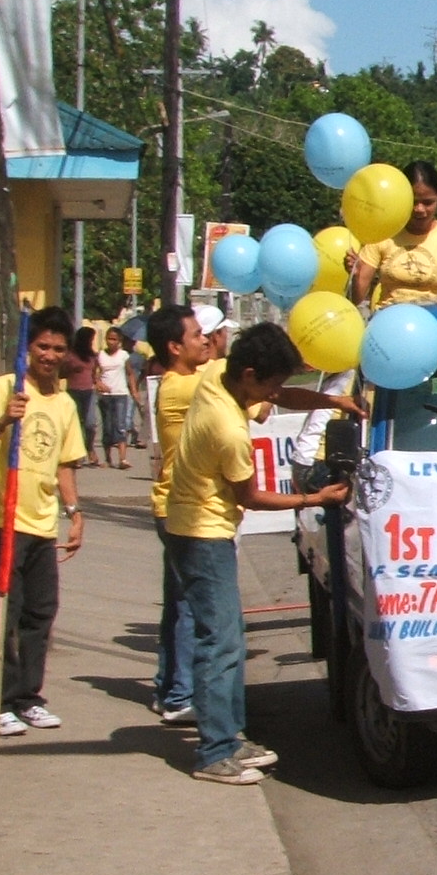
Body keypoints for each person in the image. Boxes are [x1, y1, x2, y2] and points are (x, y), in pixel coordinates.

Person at [165, 323, 361, 784]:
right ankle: (214, 752)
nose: (274, 392)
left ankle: (231, 735)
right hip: (201, 533)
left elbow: (282, 396)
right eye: (270, 383)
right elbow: (250, 497)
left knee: (229, 635)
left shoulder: (220, 375)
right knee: (220, 642)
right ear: (250, 374)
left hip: (202, 527)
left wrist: (333, 401)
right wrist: (314, 500)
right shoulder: (227, 427)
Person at [0, 306, 87, 737]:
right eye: (42, 347)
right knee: (6, 610)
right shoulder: (6, 387)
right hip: (3, 517)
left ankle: (27, 697)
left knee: (40, 611)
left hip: (42, 522)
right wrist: (4, 420)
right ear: (28, 348)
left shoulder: (65, 403)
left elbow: (66, 465)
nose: (50, 355)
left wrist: (74, 513)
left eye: (58, 348)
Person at [145, 302, 213, 725]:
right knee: (192, 606)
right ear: (174, 347)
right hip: (184, 509)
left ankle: (169, 687)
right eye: (196, 335)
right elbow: (258, 395)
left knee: (177, 603)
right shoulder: (185, 387)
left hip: (174, 506)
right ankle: (181, 695)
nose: (205, 340)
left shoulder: (190, 381)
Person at [352, 161, 437, 306]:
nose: (420, 209)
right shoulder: (383, 233)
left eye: (427, 202)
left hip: (430, 321)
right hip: (387, 319)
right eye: (414, 202)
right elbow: (356, 300)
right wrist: (355, 275)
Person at [95, 326, 134, 470]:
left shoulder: (123, 355)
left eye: (114, 339)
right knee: (107, 427)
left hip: (120, 394)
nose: (111, 342)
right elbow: (95, 373)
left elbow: (130, 374)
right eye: (109, 339)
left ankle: (123, 459)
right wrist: (98, 383)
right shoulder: (100, 355)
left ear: (119, 341)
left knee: (120, 426)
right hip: (105, 396)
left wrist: (134, 391)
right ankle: (107, 458)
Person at [65, 325, 102, 466]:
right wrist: (72, 368)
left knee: (90, 423)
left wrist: (98, 382)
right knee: (76, 424)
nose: (91, 342)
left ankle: (90, 447)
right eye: (90, 339)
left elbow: (95, 372)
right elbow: (62, 373)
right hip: (74, 390)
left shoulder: (92, 356)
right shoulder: (71, 355)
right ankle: (77, 454)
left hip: (89, 391)